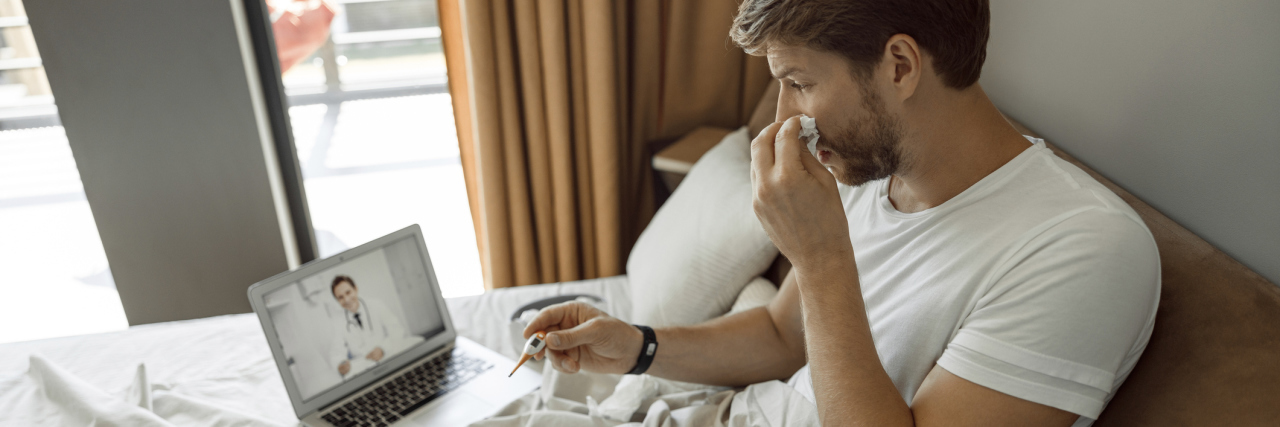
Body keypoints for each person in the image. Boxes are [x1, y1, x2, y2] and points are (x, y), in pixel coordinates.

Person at [522, 1, 1160, 426]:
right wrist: (636, 347)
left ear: (900, 67)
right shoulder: (869, 169)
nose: (780, 120)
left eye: (798, 82)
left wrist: (823, 258)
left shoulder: (1082, 247)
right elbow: (780, 338)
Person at [329, 275, 420, 377]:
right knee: (348, 377)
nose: (346, 300)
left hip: (388, 352)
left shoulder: (376, 304)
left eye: (348, 292)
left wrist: (383, 348)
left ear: (355, 289)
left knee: (417, 343)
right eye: (340, 297)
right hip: (364, 364)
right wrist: (340, 363)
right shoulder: (337, 322)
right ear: (337, 300)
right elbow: (336, 351)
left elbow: (396, 329)